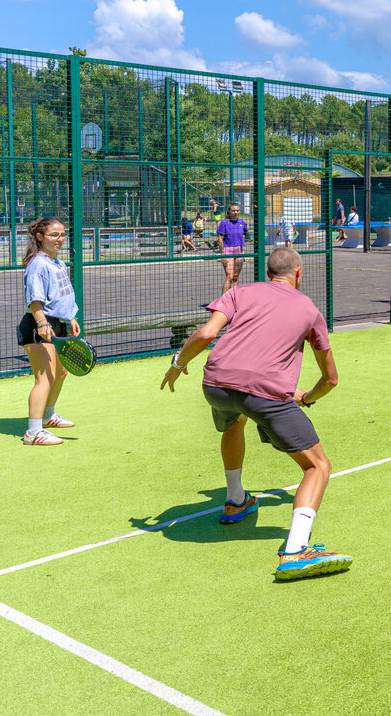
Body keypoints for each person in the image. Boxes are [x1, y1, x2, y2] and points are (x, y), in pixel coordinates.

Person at [160, 247, 350, 582]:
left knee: (235, 419)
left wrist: (178, 364)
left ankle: (235, 500)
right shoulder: (308, 308)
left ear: (267, 272)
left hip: (215, 384)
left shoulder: (239, 291)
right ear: (298, 273)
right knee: (318, 466)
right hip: (265, 393)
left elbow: (206, 334)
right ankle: (295, 551)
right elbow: (331, 378)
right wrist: (305, 398)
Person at [19, 217, 80, 446]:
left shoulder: (58, 263)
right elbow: (35, 300)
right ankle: (33, 432)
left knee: (61, 373)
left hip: (58, 324)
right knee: (44, 378)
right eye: (54, 235)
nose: (60, 239)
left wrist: (71, 317)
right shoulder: (38, 264)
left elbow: (61, 296)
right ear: (40, 237)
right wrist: (43, 323)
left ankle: (48, 416)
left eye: (62, 234)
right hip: (39, 325)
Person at [217, 203, 249, 294]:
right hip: (228, 250)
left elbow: (246, 233)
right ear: (229, 211)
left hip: (239, 250)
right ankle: (223, 300)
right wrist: (223, 255)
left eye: (237, 210)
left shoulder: (241, 222)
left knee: (235, 277)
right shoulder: (224, 222)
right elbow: (220, 239)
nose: (235, 212)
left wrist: (241, 239)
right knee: (229, 276)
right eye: (233, 210)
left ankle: (234, 299)